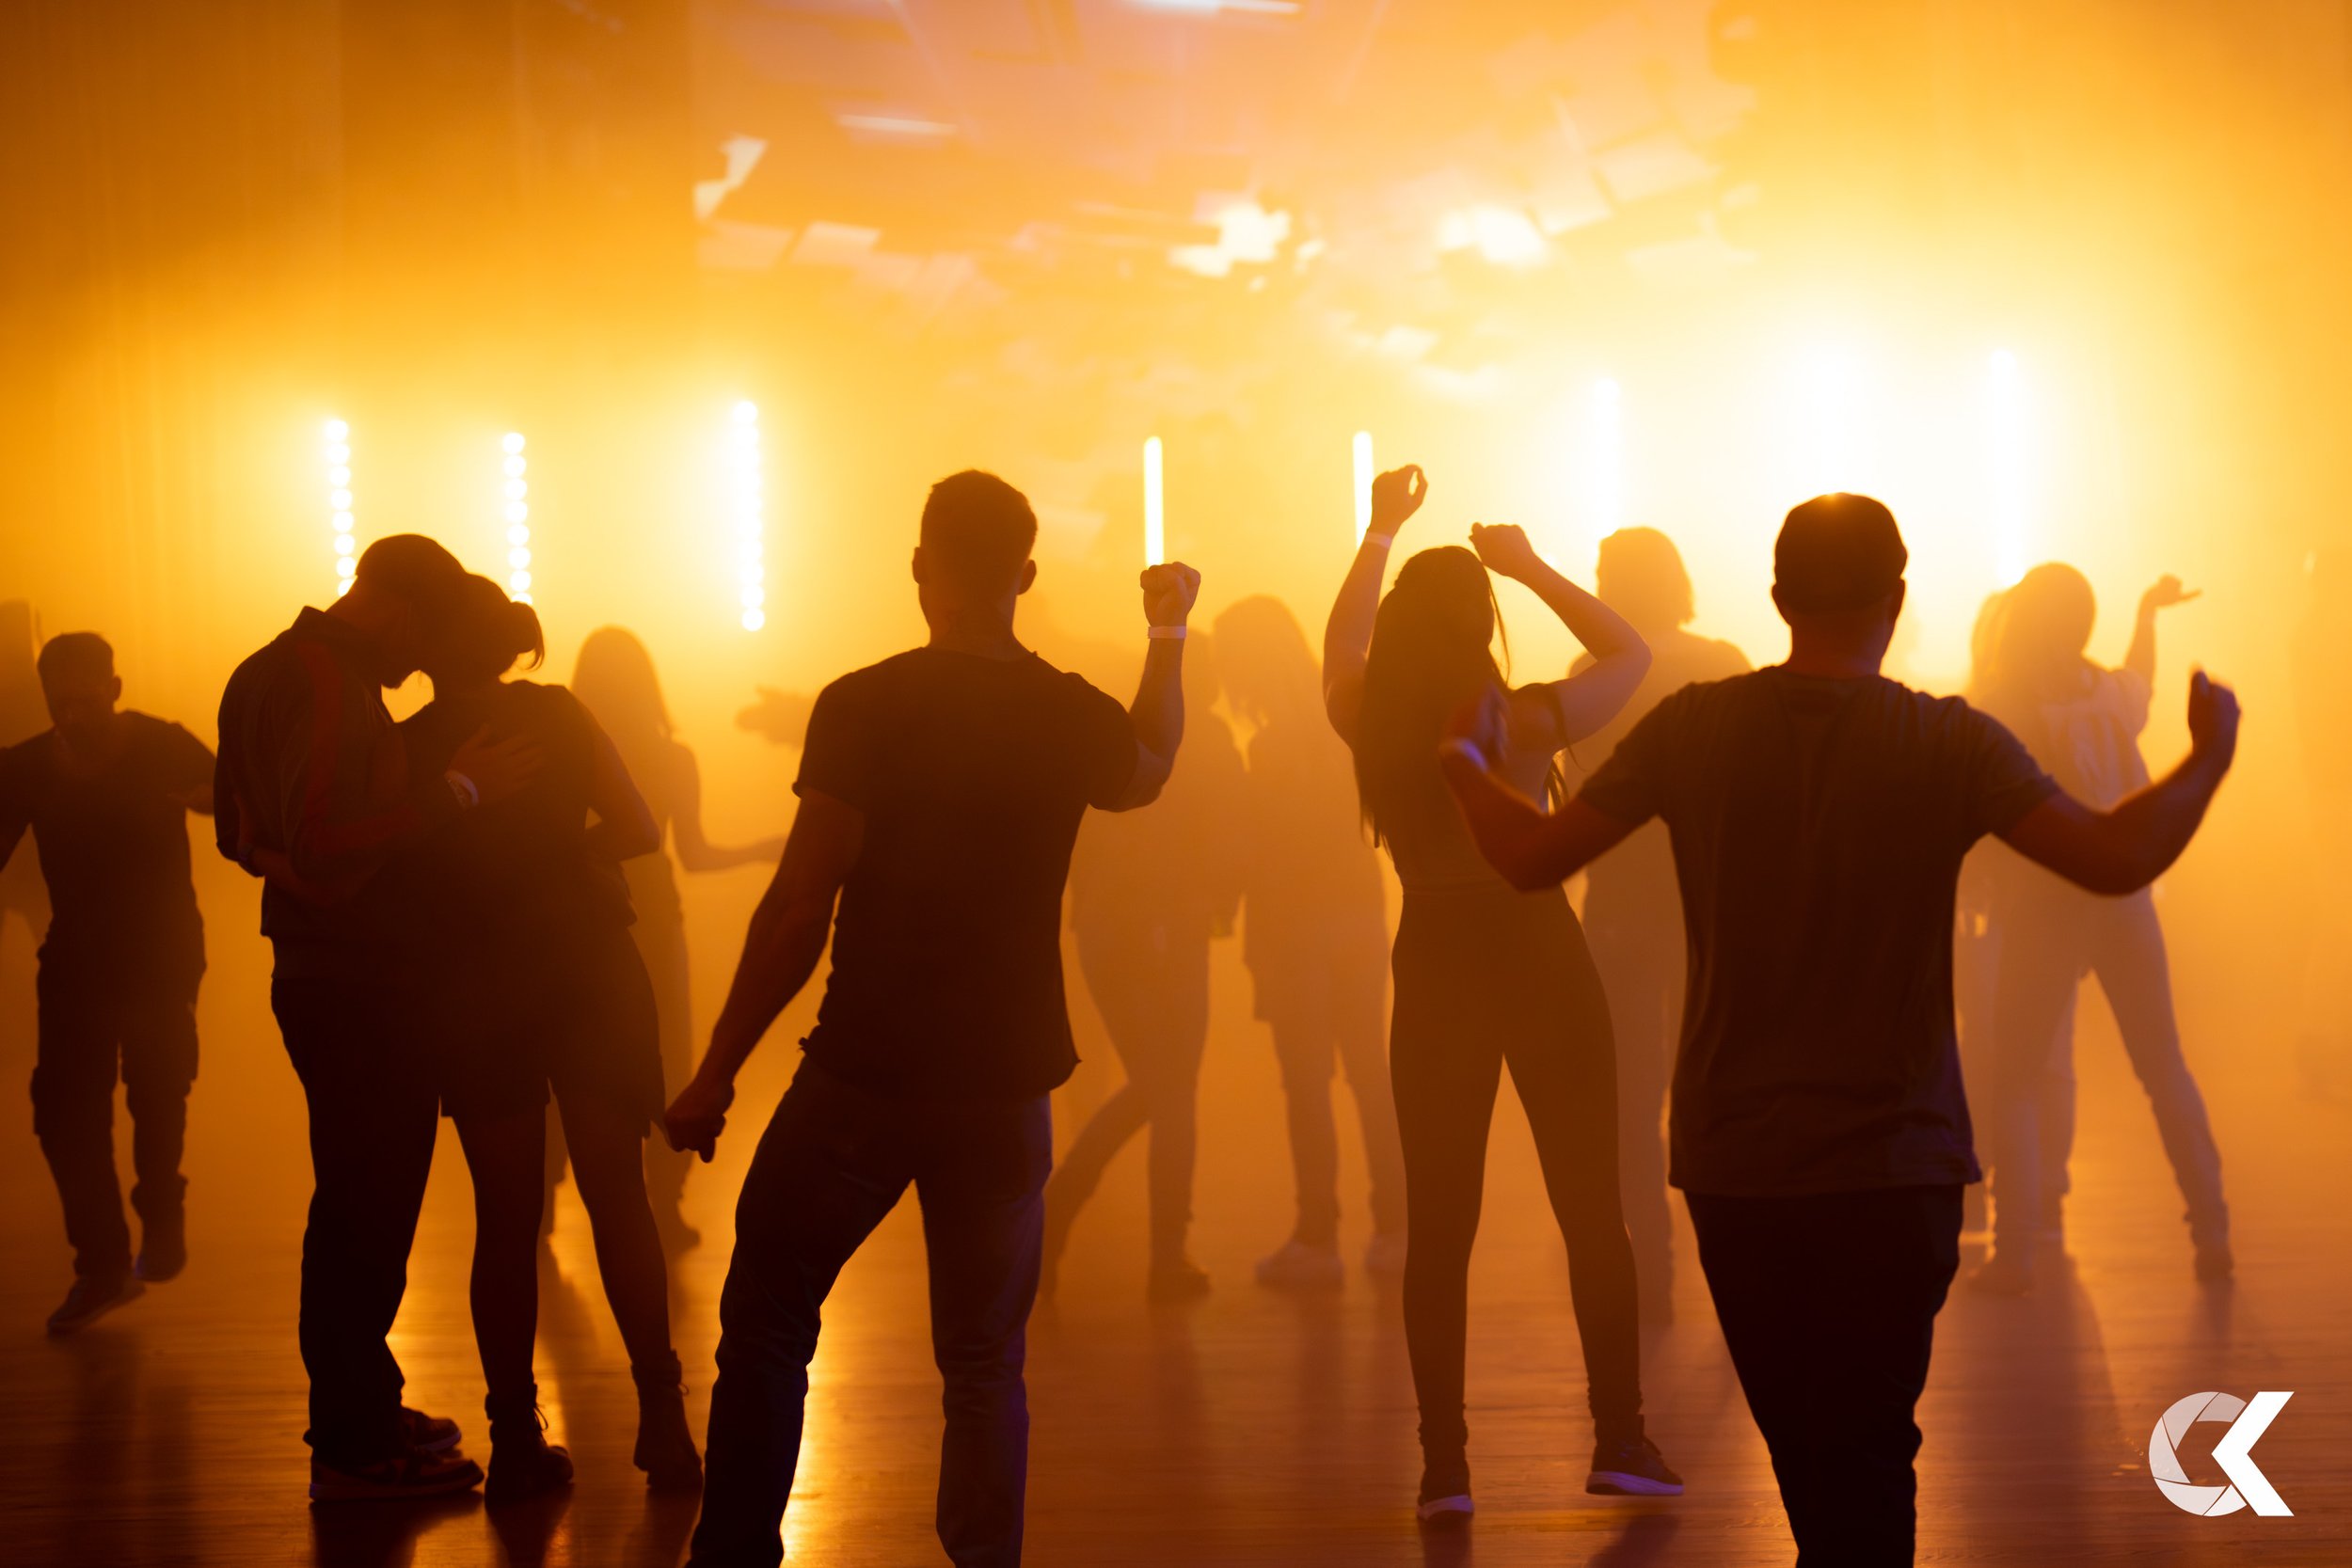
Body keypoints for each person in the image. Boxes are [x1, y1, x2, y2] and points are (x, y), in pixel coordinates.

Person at [1438, 493, 2242, 1565]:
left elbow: (1531, 858)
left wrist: (1461, 763)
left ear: (1776, 599)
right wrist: (2206, 757)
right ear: (1895, 600)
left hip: (1740, 1163)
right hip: (1895, 1161)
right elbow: (2113, 858)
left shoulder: (1694, 730)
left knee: (1814, 1457)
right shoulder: (1943, 740)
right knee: (1867, 1454)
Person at [665, 470, 1200, 1568]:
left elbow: (799, 902)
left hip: (865, 1068)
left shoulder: (867, 703)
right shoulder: (1062, 710)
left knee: (769, 1319)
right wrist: (1167, 633)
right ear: (1027, 575)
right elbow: (1149, 768)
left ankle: (733, 1557)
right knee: (983, 1360)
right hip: (1002, 1083)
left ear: (921, 568)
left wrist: (717, 1067)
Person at [1322, 465, 1677, 1525]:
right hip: (1536, 943)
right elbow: (1631, 651)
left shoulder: (1371, 727)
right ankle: (1619, 1434)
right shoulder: (1521, 722)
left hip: (1434, 947)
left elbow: (1340, 644)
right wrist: (1524, 566)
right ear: (1480, 624)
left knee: (1440, 1225)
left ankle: (1446, 1465)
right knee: (1591, 1211)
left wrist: (1380, 530)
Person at [215, 535, 538, 1501]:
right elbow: (321, 842)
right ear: (399, 610)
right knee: (368, 1209)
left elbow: (240, 827)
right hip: (358, 982)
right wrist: (456, 791)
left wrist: (285, 863)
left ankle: (362, 1402)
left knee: (357, 1201)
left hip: (322, 976)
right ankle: (355, 1440)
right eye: (425, 636)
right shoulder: (325, 681)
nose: (418, 666)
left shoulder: (258, 670)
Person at [396, 575, 701, 1498]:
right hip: (588, 968)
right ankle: (665, 1420)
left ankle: (517, 1433)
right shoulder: (561, 715)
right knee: (621, 1199)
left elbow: (392, 858)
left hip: (478, 981)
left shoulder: (409, 744)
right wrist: (568, 853)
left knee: (507, 1215)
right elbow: (641, 829)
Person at [1965, 563, 2231, 1292]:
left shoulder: (2002, 705)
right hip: (2126, 900)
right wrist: (2146, 615)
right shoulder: (2109, 697)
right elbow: (2139, 677)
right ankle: (2211, 1226)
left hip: (2042, 905)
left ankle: (2014, 1249)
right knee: (2163, 1065)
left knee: (2016, 1078)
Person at [0, 634, 214, 1333]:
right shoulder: (26, 766)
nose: (75, 714)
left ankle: (155, 1215)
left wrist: (213, 798)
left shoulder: (163, 745)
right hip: (78, 958)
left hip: (160, 952)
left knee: (156, 1087)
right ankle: (103, 1261)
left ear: (115, 688)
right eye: (62, 702)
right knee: (65, 1112)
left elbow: (234, 806)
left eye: (86, 697)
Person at [1565, 529, 1749, 1323]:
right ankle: (1739, 1265)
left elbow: (1576, 787)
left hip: (1621, 904)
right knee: (1722, 1085)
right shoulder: (1725, 663)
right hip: (1713, 901)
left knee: (1631, 1097)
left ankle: (1658, 1271)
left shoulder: (1590, 673)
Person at [1041, 630, 1245, 1302]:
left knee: (1161, 1088)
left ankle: (1069, 1213)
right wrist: (1219, 905)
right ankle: (1157, 1252)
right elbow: (1225, 842)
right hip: (1167, 934)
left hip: (1108, 933)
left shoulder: (1111, 736)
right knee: (1170, 1091)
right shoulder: (1207, 743)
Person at [1213, 594, 1409, 1288]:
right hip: (1358, 917)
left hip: (1294, 930)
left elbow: (1258, 853)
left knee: (1307, 1084)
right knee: (1372, 1076)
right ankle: (1395, 1227)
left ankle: (1317, 1236)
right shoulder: (1349, 723)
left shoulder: (1268, 750)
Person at [565, 627, 783, 1250]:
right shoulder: (671, 757)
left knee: (575, 1047)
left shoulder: (576, 749)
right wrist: (764, 849)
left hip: (581, 913)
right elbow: (695, 852)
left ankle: (556, 1194)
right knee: (666, 1051)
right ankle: (666, 1200)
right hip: (656, 915)